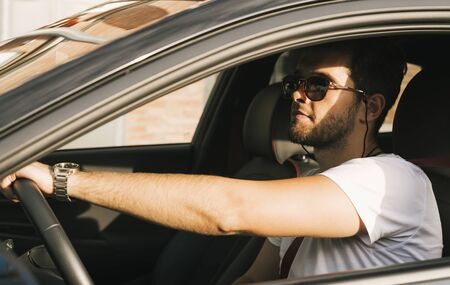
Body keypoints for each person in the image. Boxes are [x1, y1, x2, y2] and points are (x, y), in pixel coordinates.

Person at [0, 40, 443, 282]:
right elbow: (255, 279)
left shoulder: (393, 181)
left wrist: (64, 180)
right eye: (295, 84)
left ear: (370, 106)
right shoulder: (312, 184)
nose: (297, 96)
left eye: (319, 86)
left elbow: (231, 211)